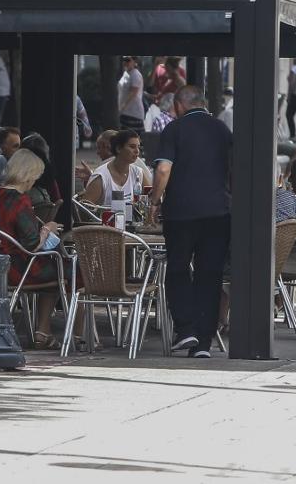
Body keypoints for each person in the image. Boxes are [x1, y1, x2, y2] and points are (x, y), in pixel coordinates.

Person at [149, 85, 232, 357]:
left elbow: (163, 169)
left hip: (181, 213)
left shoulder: (174, 130)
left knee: (178, 268)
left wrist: (154, 201)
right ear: (203, 103)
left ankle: (186, 330)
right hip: (218, 213)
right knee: (210, 274)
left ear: (179, 106)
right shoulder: (222, 130)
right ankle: (204, 343)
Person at [0, 149, 62, 349]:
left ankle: (44, 331)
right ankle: (47, 331)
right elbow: (32, 244)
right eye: (35, 177)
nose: (34, 182)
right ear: (28, 175)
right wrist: (48, 229)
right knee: (66, 272)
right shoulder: (20, 200)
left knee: (60, 270)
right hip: (16, 268)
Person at [82, 128, 151, 224]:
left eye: (138, 147)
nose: (137, 151)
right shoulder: (101, 177)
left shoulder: (138, 173)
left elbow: (151, 201)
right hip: (106, 232)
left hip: (132, 229)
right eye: (132, 146)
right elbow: (84, 213)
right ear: (118, 149)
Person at [117, 56, 145, 131]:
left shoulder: (135, 74)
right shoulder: (126, 74)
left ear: (134, 62)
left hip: (133, 113)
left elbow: (133, 93)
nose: (125, 62)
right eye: (123, 60)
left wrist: (122, 107)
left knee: (131, 139)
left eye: (128, 60)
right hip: (125, 112)